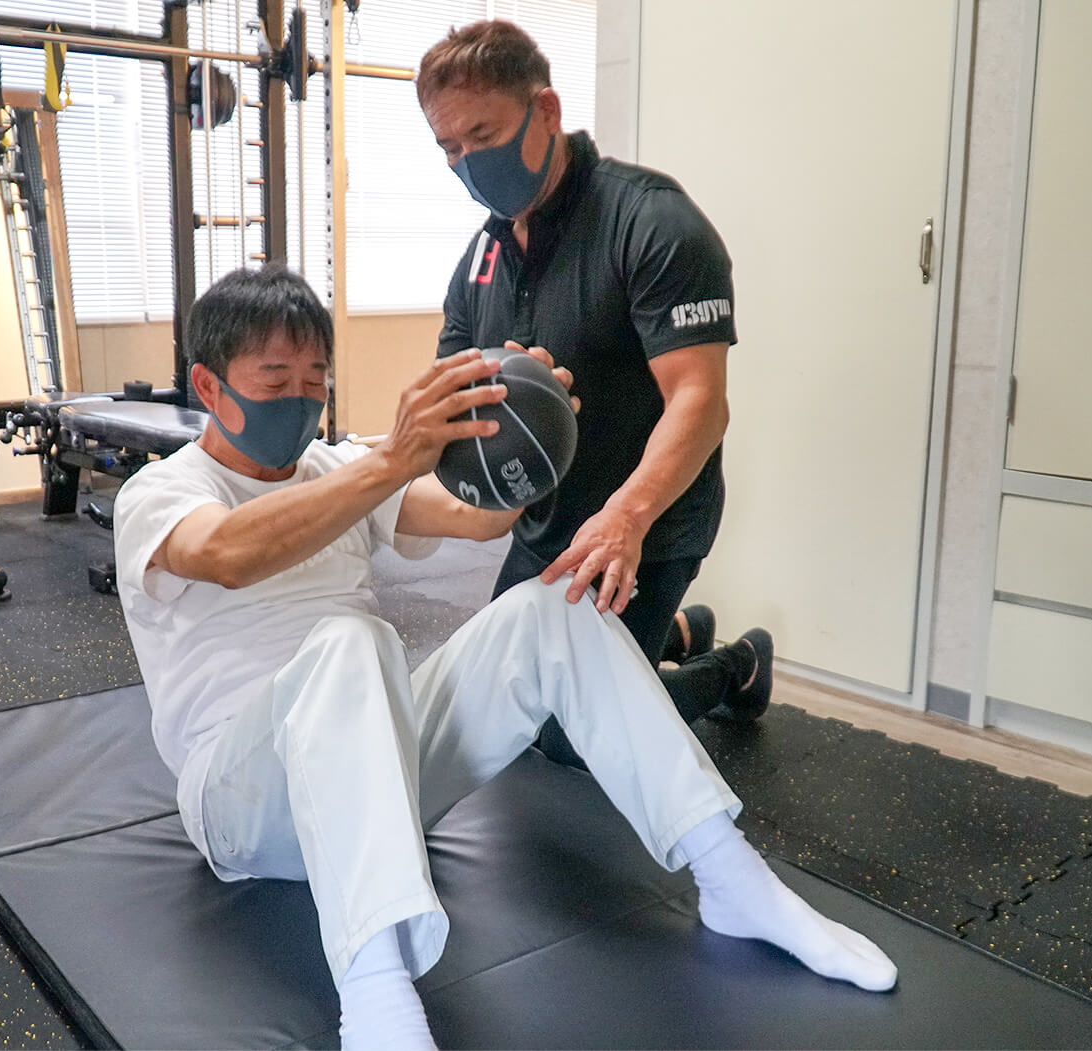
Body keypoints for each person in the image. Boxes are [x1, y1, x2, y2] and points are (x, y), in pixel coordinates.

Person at [114, 266, 896, 1050]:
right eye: (276, 379)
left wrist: (529, 430)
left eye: (315, 379)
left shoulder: (338, 469)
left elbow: (476, 517)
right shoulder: (161, 493)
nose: (301, 397)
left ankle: (731, 876)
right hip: (243, 807)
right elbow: (227, 554)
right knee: (353, 639)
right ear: (210, 386)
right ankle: (376, 991)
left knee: (554, 609)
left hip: (376, 786)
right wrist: (390, 461)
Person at [419, 21, 771, 746]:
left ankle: (738, 665)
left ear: (545, 111)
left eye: (483, 135)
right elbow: (451, 394)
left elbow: (701, 400)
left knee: (573, 736)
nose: (468, 164)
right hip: (546, 522)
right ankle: (675, 632)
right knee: (495, 707)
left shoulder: (651, 221)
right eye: (449, 148)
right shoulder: (482, 257)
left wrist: (625, 519)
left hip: (644, 524)